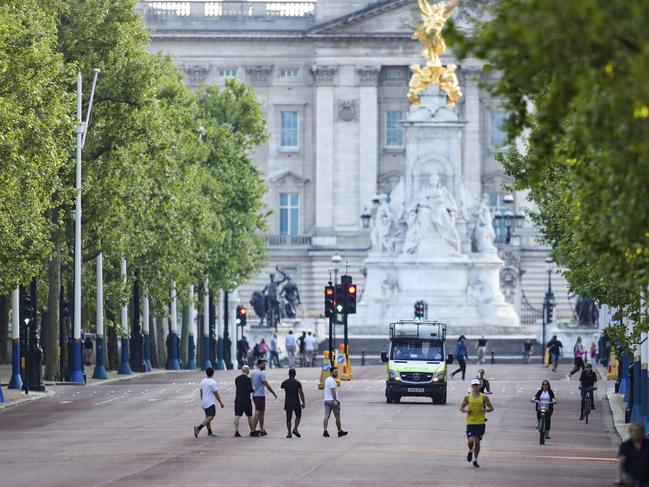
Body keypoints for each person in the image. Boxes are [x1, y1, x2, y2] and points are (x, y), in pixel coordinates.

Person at [459, 378, 494, 468]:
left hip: (480, 422)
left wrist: (485, 409)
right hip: (470, 422)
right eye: (474, 385)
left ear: (479, 386)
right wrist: (466, 410)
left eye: (477, 385)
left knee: (477, 442)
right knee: (471, 440)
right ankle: (470, 450)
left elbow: (491, 408)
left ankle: (475, 460)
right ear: (472, 386)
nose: (475, 387)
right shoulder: (467, 397)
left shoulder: (484, 397)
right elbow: (461, 408)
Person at [194, 367, 224, 438]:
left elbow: (201, 392)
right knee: (211, 416)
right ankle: (198, 428)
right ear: (213, 373)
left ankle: (209, 432)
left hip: (204, 401)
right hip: (210, 402)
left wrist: (202, 400)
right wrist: (220, 402)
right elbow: (216, 393)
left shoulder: (202, 381)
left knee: (207, 417)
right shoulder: (213, 382)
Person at [250, 359, 277, 436]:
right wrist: (273, 393)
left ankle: (261, 429)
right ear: (259, 365)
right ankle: (253, 430)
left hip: (255, 394)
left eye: (265, 364)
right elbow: (266, 384)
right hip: (260, 395)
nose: (265, 366)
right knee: (258, 412)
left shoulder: (252, 373)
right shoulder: (261, 373)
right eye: (263, 364)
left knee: (261, 412)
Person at [322, 367, 348, 437]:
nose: (336, 373)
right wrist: (335, 400)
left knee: (326, 416)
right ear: (331, 372)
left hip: (326, 400)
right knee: (337, 416)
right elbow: (333, 390)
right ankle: (339, 431)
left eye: (337, 372)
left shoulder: (327, 379)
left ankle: (325, 431)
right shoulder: (332, 381)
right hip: (333, 401)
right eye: (335, 372)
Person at [281, 368, 306, 438]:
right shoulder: (298, 383)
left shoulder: (285, 382)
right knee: (298, 416)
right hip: (296, 402)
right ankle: (295, 428)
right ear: (295, 374)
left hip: (288, 402)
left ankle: (289, 433)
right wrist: (303, 402)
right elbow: (301, 393)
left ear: (288, 374)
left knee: (288, 418)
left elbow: (282, 386)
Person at [234, 365, 254, 438]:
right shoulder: (248, 379)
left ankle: (236, 431)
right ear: (248, 371)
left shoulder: (237, 379)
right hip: (246, 400)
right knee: (249, 416)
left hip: (238, 399)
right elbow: (250, 389)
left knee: (237, 415)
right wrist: (253, 389)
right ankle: (252, 431)